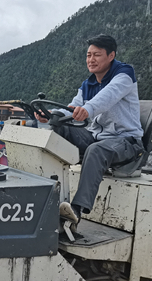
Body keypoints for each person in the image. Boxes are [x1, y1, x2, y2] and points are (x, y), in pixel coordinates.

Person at [36, 34, 144, 230]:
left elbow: (108, 95)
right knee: (59, 126)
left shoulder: (124, 74)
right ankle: (46, 192)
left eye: (97, 55)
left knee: (96, 149)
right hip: (96, 138)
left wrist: (88, 109)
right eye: (88, 55)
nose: (91, 60)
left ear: (111, 56)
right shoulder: (88, 84)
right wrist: (51, 114)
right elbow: (72, 107)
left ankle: (76, 210)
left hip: (126, 142)